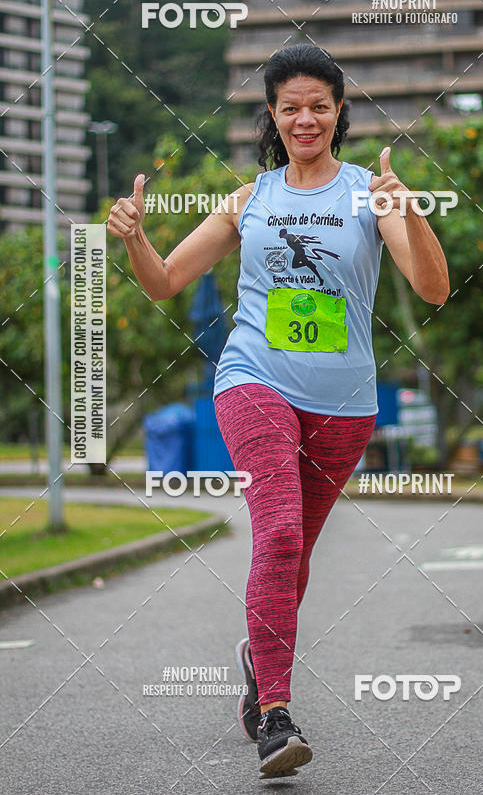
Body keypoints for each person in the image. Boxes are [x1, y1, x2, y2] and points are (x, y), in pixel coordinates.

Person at [107, 44, 450, 779]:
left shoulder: (369, 194)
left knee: (291, 561)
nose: (305, 118)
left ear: (338, 114)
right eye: (290, 106)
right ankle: (276, 718)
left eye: (318, 106)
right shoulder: (249, 199)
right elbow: (166, 281)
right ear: (273, 114)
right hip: (253, 379)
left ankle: (255, 661)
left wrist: (410, 214)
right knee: (283, 531)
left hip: (345, 405)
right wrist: (136, 238)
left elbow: (432, 289)